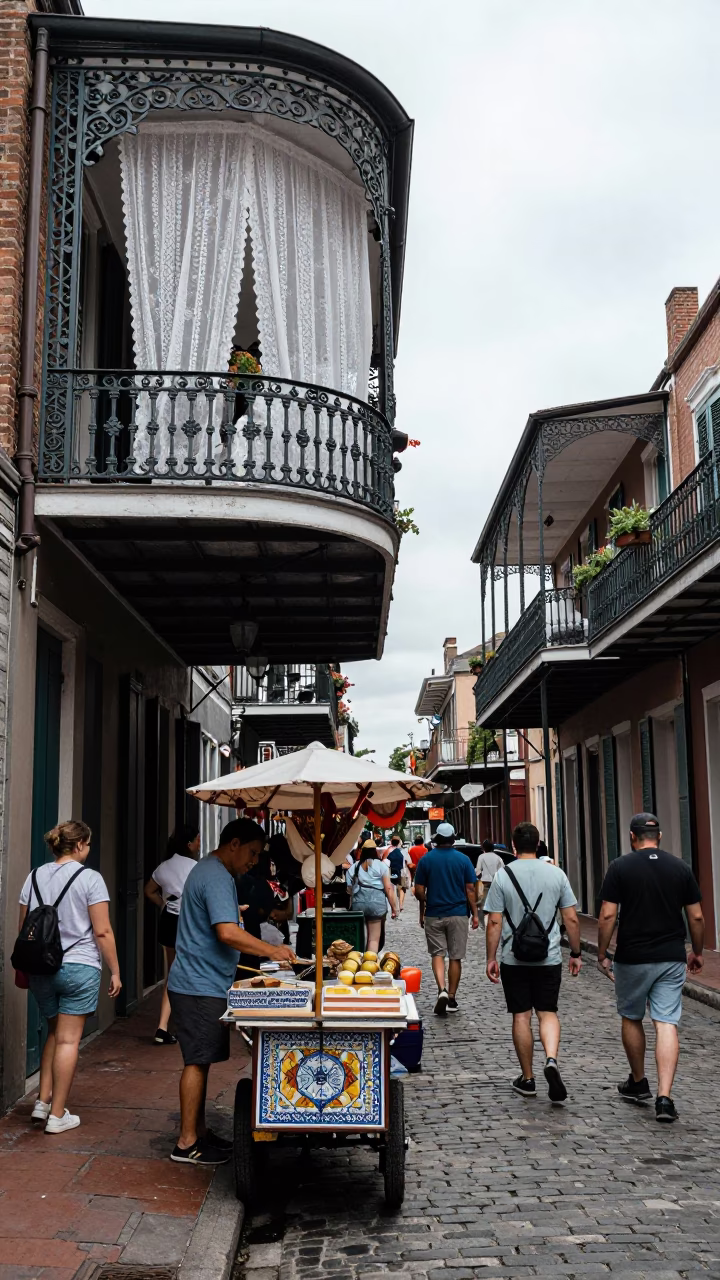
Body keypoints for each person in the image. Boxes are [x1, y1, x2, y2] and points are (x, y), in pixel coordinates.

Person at [167, 817, 296, 1166]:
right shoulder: (216, 875)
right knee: (196, 1061)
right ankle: (186, 1143)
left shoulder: (213, 873)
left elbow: (221, 922)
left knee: (203, 1060)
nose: (253, 862)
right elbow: (226, 933)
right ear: (234, 844)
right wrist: (272, 951)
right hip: (198, 983)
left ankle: (200, 1132)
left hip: (204, 981)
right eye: (252, 853)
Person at [596, 812, 704, 1123]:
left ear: (632, 837)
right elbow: (696, 917)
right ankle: (665, 1097)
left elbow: (606, 916)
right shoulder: (680, 867)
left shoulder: (620, 867)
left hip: (633, 956)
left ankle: (639, 1081)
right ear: (659, 837)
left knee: (632, 1016)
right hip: (671, 956)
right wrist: (696, 951)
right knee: (666, 1022)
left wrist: (602, 953)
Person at [18, 820, 122, 1134]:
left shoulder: (33, 876)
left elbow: (24, 930)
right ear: (78, 845)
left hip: (41, 969)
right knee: (68, 1039)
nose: (88, 850)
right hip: (78, 966)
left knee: (54, 1032)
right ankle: (58, 1115)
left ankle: (43, 1100)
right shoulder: (90, 879)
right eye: (88, 845)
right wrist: (115, 971)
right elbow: (102, 931)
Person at [484, 821, 581, 1103]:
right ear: (538, 845)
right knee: (548, 1012)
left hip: (514, 958)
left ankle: (527, 1078)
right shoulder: (556, 874)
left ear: (514, 846)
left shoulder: (504, 876)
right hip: (548, 956)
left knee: (521, 1015)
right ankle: (551, 1058)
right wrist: (575, 953)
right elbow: (572, 918)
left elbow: (493, 921)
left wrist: (491, 958)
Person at [413, 822, 478, 1015]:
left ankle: (441, 989)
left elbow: (418, 890)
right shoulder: (464, 859)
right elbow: (470, 889)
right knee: (455, 957)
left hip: (434, 914)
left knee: (438, 955)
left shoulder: (426, 860)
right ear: (453, 839)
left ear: (436, 839)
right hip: (458, 913)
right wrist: (475, 913)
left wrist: (423, 909)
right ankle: (451, 996)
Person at [144, 823, 201, 1045]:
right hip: (189, 921)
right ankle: (191, 1023)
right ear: (189, 844)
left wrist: (164, 904)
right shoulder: (195, 867)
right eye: (197, 839)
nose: (199, 843)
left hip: (168, 920)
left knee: (172, 973)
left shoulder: (163, 867)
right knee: (193, 971)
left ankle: (162, 1026)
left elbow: (149, 890)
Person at [347, 840, 398, 952]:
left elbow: (349, 888)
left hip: (358, 904)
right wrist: (394, 909)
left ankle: (357, 961)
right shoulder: (381, 866)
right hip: (377, 904)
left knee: (359, 937)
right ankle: (369, 965)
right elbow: (388, 889)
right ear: (375, 851)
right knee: (373, 940)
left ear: (363, 851)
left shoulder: (354, 867)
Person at [475, 839, 504, 911]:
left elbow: (478, 871)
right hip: (495, 883)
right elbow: (503, 871)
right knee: (494, 907)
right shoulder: (498, 858)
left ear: (483, 848)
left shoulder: (481, 857)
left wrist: (479, 877)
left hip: (484, 883)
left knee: (483, 906)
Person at [386, 836, 408, 910]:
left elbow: (384, 861)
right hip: (402, 872)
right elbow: (408, 862)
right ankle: (401, 904)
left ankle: (394, 907)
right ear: (399, 842)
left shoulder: (388, 850)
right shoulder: (403, 851)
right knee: (401, 888)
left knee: (392, 888)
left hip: (391, 872)